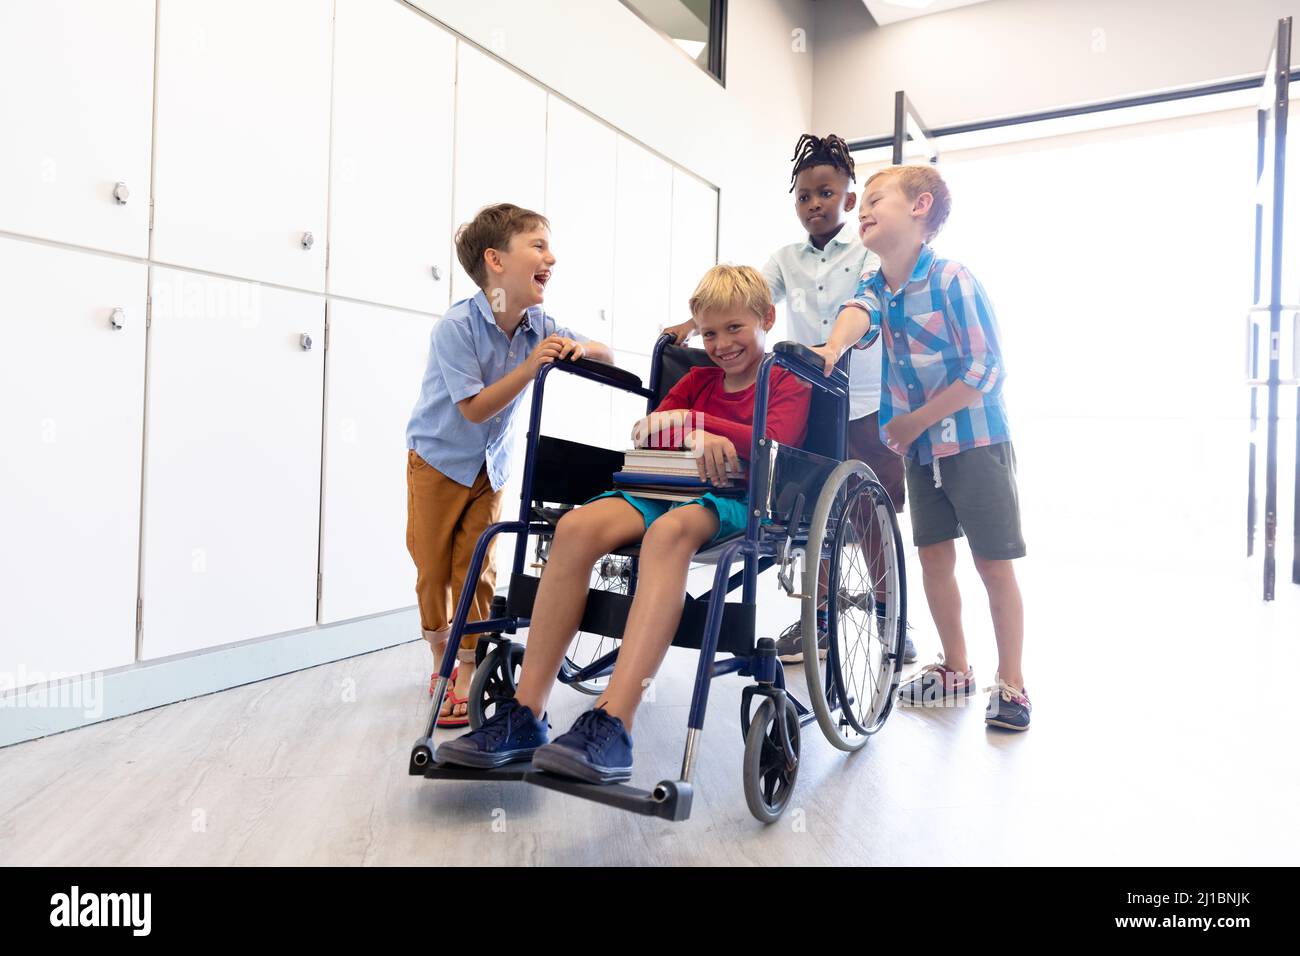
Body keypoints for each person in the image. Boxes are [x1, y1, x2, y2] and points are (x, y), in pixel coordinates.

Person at [435, 264, 812, 779]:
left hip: (735, 499)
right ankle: (526, 713)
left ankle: (614, 723)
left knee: (668, 534)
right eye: (709, 333)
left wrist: (700, 427)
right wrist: (682, 427)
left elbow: (775, 441)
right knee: (575, 528)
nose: (721, 344)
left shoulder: (786, 380)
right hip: (661, 487)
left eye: (735, 328)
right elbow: (646, 430)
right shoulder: (697, 380)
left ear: (767, 318)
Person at [663, 133, 915, 664]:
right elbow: (751, 295)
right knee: (811, 510)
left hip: (867, 397)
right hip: (811, 394)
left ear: (849, 199)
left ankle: (890, 617)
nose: (814, 204)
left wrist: (836, 344)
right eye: (804, 196)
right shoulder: (784, 259)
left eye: (826, 193)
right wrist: (693, 323)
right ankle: (818, 623)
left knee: (874, 511)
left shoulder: (867, 253)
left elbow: (869, 307)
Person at [811, 165, 1030, 731]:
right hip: (920, 451)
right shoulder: (875, 285)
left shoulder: (954, 278)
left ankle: (1012, 684)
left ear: (919, 207)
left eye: (876, 198)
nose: (862, 208)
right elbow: (858, 316)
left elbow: (987, 368)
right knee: (934, 558)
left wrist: (914, 423)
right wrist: (831, 348)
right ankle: (956, 668)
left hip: (976, 442)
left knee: (992, 564)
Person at [406, 203, 612, 726]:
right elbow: (474, 408)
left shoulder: (539, 323)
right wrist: (530, 366)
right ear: (495, 261)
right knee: (433, 568)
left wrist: (577, 348)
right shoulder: (456, 327)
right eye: (538, 246)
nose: (552, 257)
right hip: (438, 460)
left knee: (475, 565)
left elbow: (605, 354)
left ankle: (467, 666)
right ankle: (439, 658)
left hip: (490, 465)